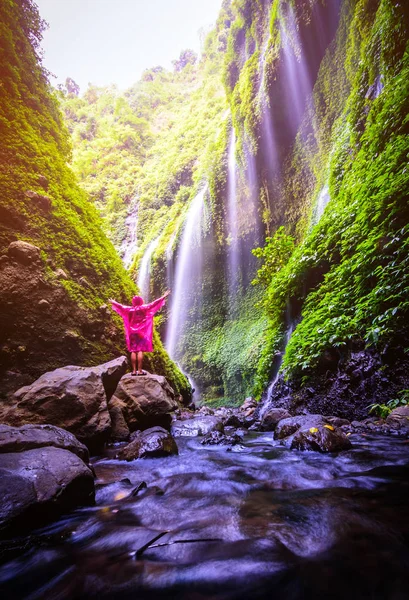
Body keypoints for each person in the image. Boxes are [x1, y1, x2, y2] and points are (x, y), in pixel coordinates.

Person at [109, 290, 170, 376]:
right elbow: (154, 303)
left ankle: (134, 371)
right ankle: (140, 370)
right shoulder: (144, 308)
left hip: (132, 333)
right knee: (140, 350)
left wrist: (113, 302)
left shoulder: (130, 309)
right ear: (141, 301)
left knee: (133, 351)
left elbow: (121, 307)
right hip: (141, 332)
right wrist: (163, 296)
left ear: (133, 302)